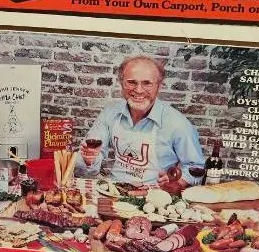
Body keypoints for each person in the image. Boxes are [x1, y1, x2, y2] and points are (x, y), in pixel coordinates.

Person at [74, 55, 205, 190]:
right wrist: (89, 160)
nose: (138, 90)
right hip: (113, 189)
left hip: (154, 194)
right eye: (131, 82)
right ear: (122, 83)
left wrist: (178, 183)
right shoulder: (110, 112)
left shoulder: (177, 123)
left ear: (159, 86)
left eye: (147, 83)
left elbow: (196, 167)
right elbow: (87, 163)